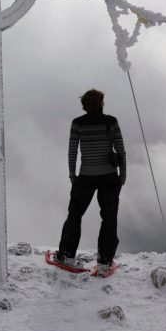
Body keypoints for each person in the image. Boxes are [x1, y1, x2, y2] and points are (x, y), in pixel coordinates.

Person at [55, 89, 126, 276]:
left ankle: (66, 256)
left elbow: (72, 152)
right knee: (109, 218)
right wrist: (123, 175)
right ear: (102, 103)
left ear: (84, 105)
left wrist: (72, 176)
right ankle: (104, 262)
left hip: (85, 177)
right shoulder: (111, 122)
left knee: (75, 214)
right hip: (110, 177)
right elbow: (120, 150)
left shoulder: (77, 123)